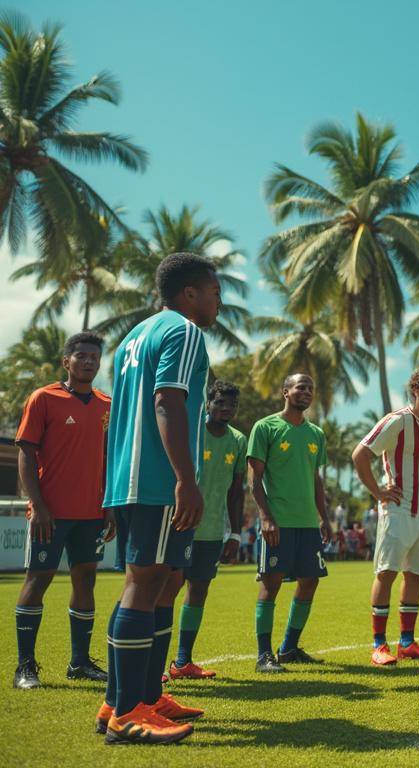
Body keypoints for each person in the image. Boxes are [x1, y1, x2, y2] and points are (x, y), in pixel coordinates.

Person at [98, 252, 219, 744]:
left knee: (156, 583)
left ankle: (132, 697)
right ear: (189, 293)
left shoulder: (133, 336)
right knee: (144, 586)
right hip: (156, 482)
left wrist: (110, 490)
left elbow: (118, 417)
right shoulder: (184, 331)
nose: (219, 301)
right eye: (214, 291)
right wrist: (185, 480)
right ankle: (128, 713)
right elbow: (168, 399)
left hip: (130, 481)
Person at [13, 332, 114, 690]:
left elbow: (109, 459)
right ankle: (25, 667)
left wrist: (110, 507)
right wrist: (38, 505)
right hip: (50, 514)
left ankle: (80, 662)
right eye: (81, 355)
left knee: (86, 580)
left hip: (92, 514)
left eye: (94, 357)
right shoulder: (44, 398)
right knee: (37, 579)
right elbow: (26, 452)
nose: (89, 361)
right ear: (66, 361)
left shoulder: (106, 404)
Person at [353, 367, 419, 666]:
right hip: (398, 510)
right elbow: (360, 454)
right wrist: (377, 492)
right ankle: (379, 645)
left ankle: (407, 643)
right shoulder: (396, 421)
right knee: (387, 572)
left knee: (415, 574)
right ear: (416, 390)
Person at [248, 373, 331, 673]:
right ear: (285, 391)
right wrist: (266, 518)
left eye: (310, 387)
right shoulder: (266, 427)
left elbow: (315, 479)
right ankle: (263, 655)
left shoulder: (316, 434)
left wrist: (324, 516)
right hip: (278, 523)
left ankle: (289, 648)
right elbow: (254, 480)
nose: (306, 391)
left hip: (308, 523)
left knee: (310, 581)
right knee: (271, 584)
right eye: (300, 387)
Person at [167, 381, 246, 679]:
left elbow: (236, 492)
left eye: (232, 405)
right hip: (180, 524)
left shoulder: (239, 440)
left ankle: (182, 662)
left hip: (212, 531)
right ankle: (153, 662)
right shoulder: (191, 430)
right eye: (220, 403)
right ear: (209, 403)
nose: (226, 409)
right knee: (166, 590)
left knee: (198, 590)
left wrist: (235, 534)